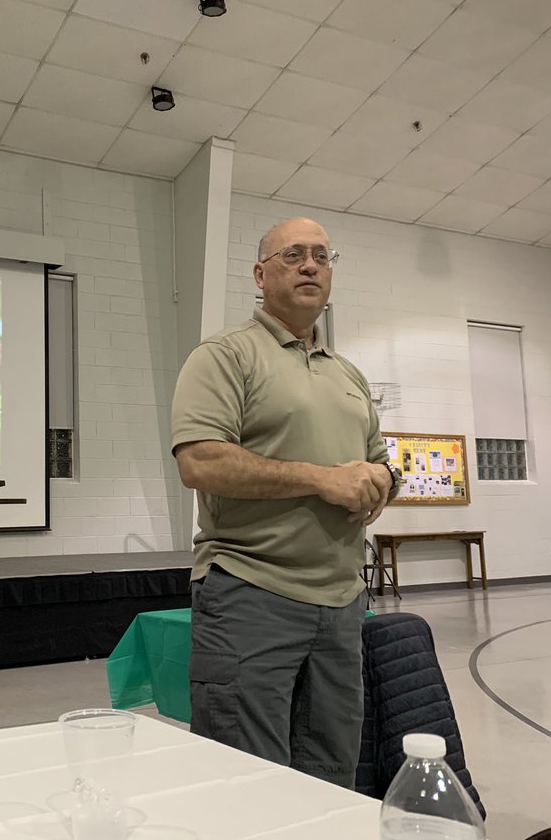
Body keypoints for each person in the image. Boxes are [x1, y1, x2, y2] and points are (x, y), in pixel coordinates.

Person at [170, 216, 400, 789]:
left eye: (322, 256)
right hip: (251, 593)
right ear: (260, 273)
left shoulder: (347, 373)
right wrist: (321, 479)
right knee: (246, 781)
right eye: (293, 254)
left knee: (331, 772)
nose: (310, 265)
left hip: (343, 602)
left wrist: (381, 479)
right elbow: (200, 462)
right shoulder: (224, 356)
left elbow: (379, 462)